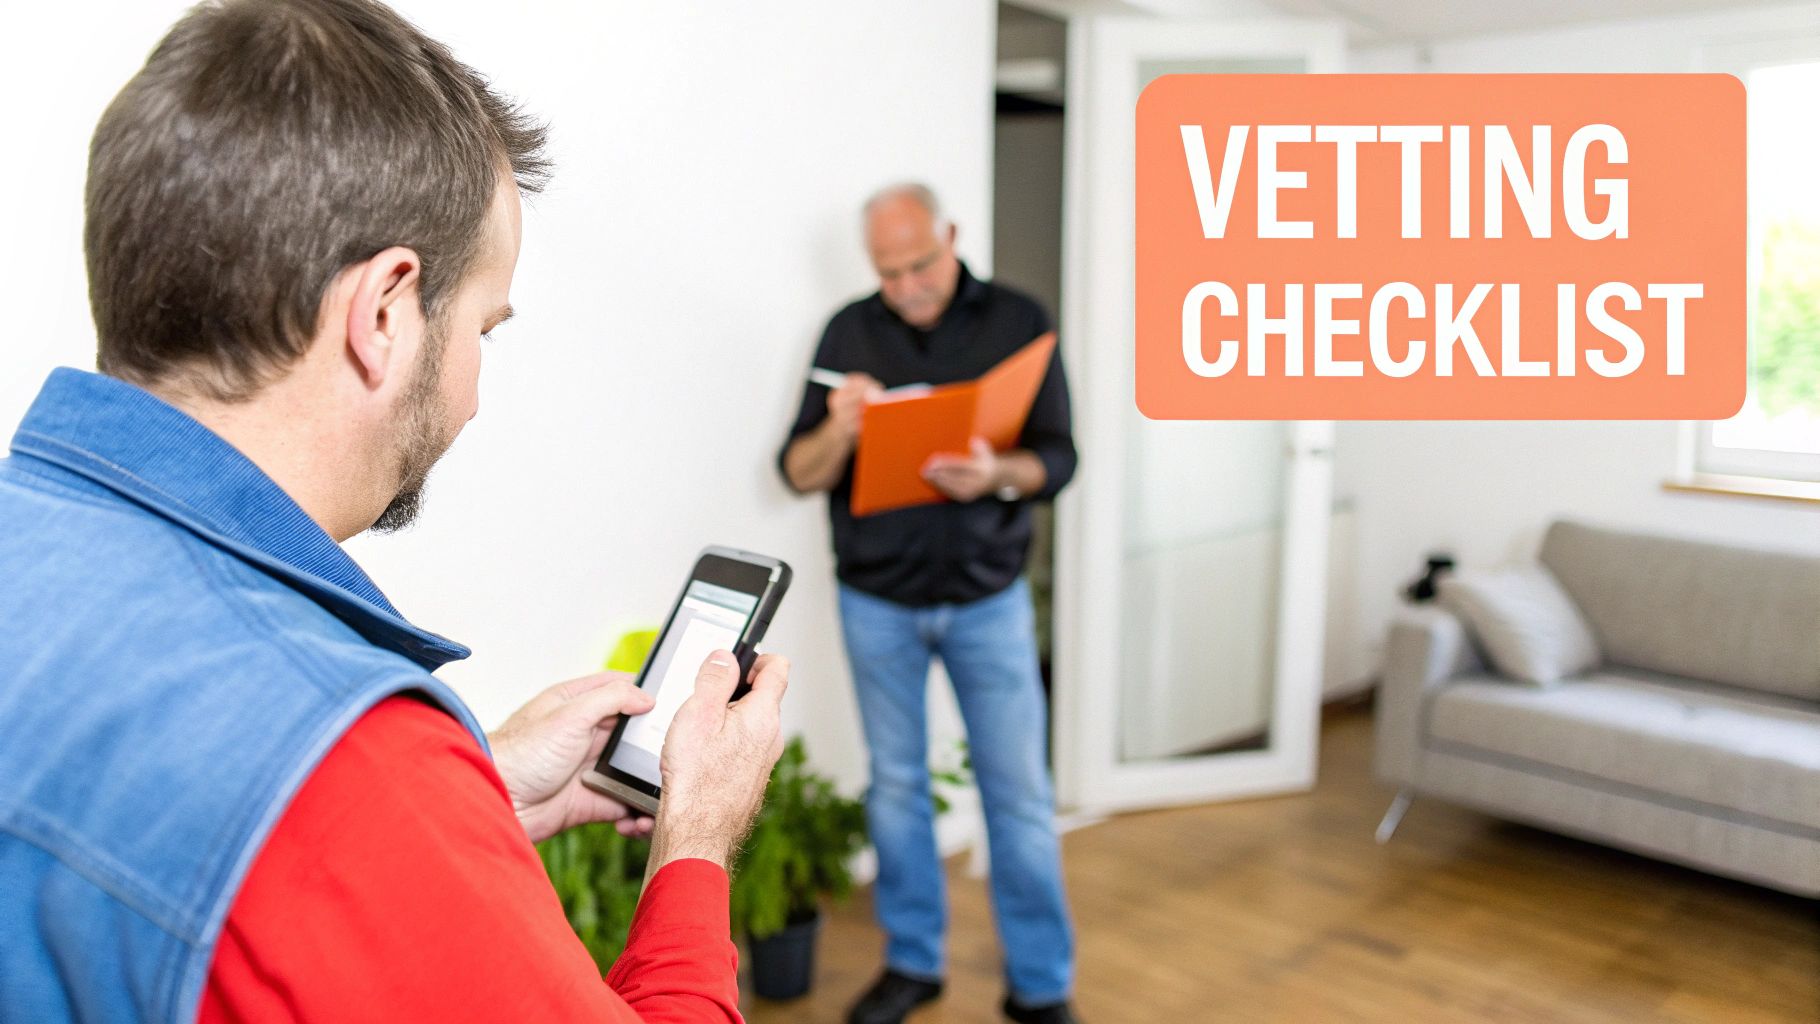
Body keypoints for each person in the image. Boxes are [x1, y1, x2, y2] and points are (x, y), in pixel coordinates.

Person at [0, 2, 787, 1021]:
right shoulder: (346, 770)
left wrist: (472, 792)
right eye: (480, 331)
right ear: (383, 314)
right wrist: (695, 838)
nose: (470, 396)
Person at [779, 184, 1081, 1024]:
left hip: (990, 597)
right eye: (889, 272)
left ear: (950, 237)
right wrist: (842, 428)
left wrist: (998, 473)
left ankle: (1042, 986)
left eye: (921, 265)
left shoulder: (1018, 320)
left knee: (1017, 794)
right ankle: (913, 965)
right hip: (877, 601)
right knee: (897, 788)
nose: (907, 286)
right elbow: (797, 473)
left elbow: (1058, 458)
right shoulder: (848, 332)